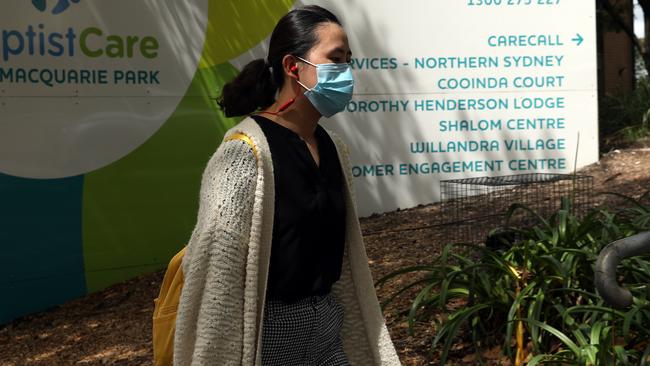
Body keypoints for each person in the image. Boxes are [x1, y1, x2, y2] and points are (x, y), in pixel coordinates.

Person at [173, 5, 401, 365]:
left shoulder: (333, 147)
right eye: (335, 59)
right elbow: (217, 275)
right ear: (294, 67)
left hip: (328, 327)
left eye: (347, 61)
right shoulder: (244, 153)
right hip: (268, 336)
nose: (346, 72)